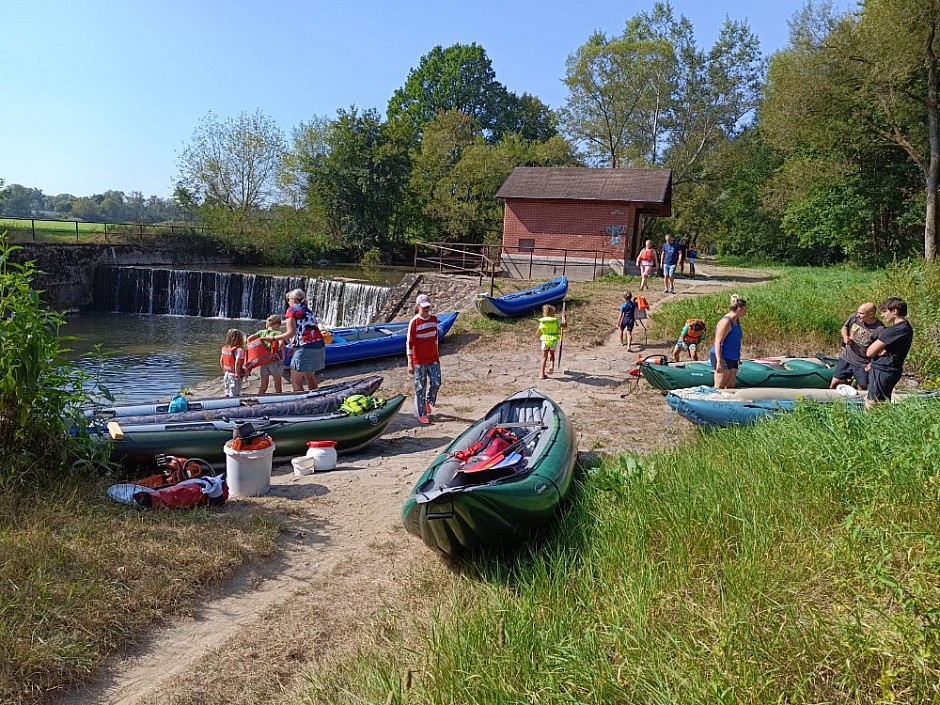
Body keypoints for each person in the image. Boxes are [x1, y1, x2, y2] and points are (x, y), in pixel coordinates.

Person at [864, 297, 914, 409]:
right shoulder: (905, 328)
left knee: (872, 404)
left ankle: (872, 425)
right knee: (881, 402)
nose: (882, 315)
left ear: (895, 311)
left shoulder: (894, 330)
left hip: (884, 370)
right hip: (888, 369)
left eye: (885, 311)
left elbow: (869, 352)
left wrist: (877, 350)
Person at [271, 288, 325, 392]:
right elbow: (304, 330)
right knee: (309, 377)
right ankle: (315, 399)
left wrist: (273, 338)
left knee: (295, 380)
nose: (287, 302)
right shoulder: (308, 310)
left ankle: (303, 404)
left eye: (288, 299)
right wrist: (295, 347)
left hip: (306, 347)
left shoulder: (291, 311)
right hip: (319, 345)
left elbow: (290, 333)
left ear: (293, 299)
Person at [829, 302, 884, 392]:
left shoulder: (879, 329)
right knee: (834, 383)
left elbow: (881, 348)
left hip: (863, 363)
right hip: (847, 357)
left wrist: (873, 363)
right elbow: (844, 328)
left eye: (861, 313)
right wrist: (845, 337)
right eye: (858, 312)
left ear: (871, 314)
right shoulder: (854, 317)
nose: (858, 315)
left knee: (862, 388)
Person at [407, 294, 441, 424]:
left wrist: (437, 354)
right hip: (419, 360)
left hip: (432, 357)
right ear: (418, 307)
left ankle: (428, 400)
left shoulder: (434, 319)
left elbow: (435, 338)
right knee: (420, 386)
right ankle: (421, 413)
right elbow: (409, 343)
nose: (426, 309)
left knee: (436, 382)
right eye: (424, 307)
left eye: (428, 307)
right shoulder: (414, 322)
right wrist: (410, 362)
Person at [709, 294, 747, 389]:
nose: (746, 312)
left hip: (733, 357)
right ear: (739, 309)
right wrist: (719, 361)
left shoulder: (736, 321)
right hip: (723, 356)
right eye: (745, 310)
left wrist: (737, 358)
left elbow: (735, 341)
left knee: (730, 386)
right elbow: (718, 342)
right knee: (720, 386)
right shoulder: (726, 322)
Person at [246, 314, 285, 395]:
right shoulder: (277, 333)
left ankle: (259, 398)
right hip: (274, 361)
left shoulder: (262, 332)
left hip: (263, 361)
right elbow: (281, 344)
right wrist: (283, 356)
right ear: (277, 325)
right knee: (278, 385)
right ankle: (279, 399)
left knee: (263, 386)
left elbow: (249, 339)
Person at [537, 303, 567, 379]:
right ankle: (551, 366)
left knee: (544, 357)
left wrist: (539, 338)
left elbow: (538, 333)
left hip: (544, 339)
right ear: (553, 313)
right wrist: (564, 318)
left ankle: (542, 374)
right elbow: (564, 326)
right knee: (552, 354)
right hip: (553, 339)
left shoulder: (542, 322)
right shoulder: (555, 321)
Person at [220, 328, 246, 397]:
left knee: (227, 392)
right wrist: (237, 373)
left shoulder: (224, 348)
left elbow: (221, 360)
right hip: (234, 375)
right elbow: (237, 362)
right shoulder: (239, 350)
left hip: (227, 374)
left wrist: (224, 370)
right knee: (234, 393)